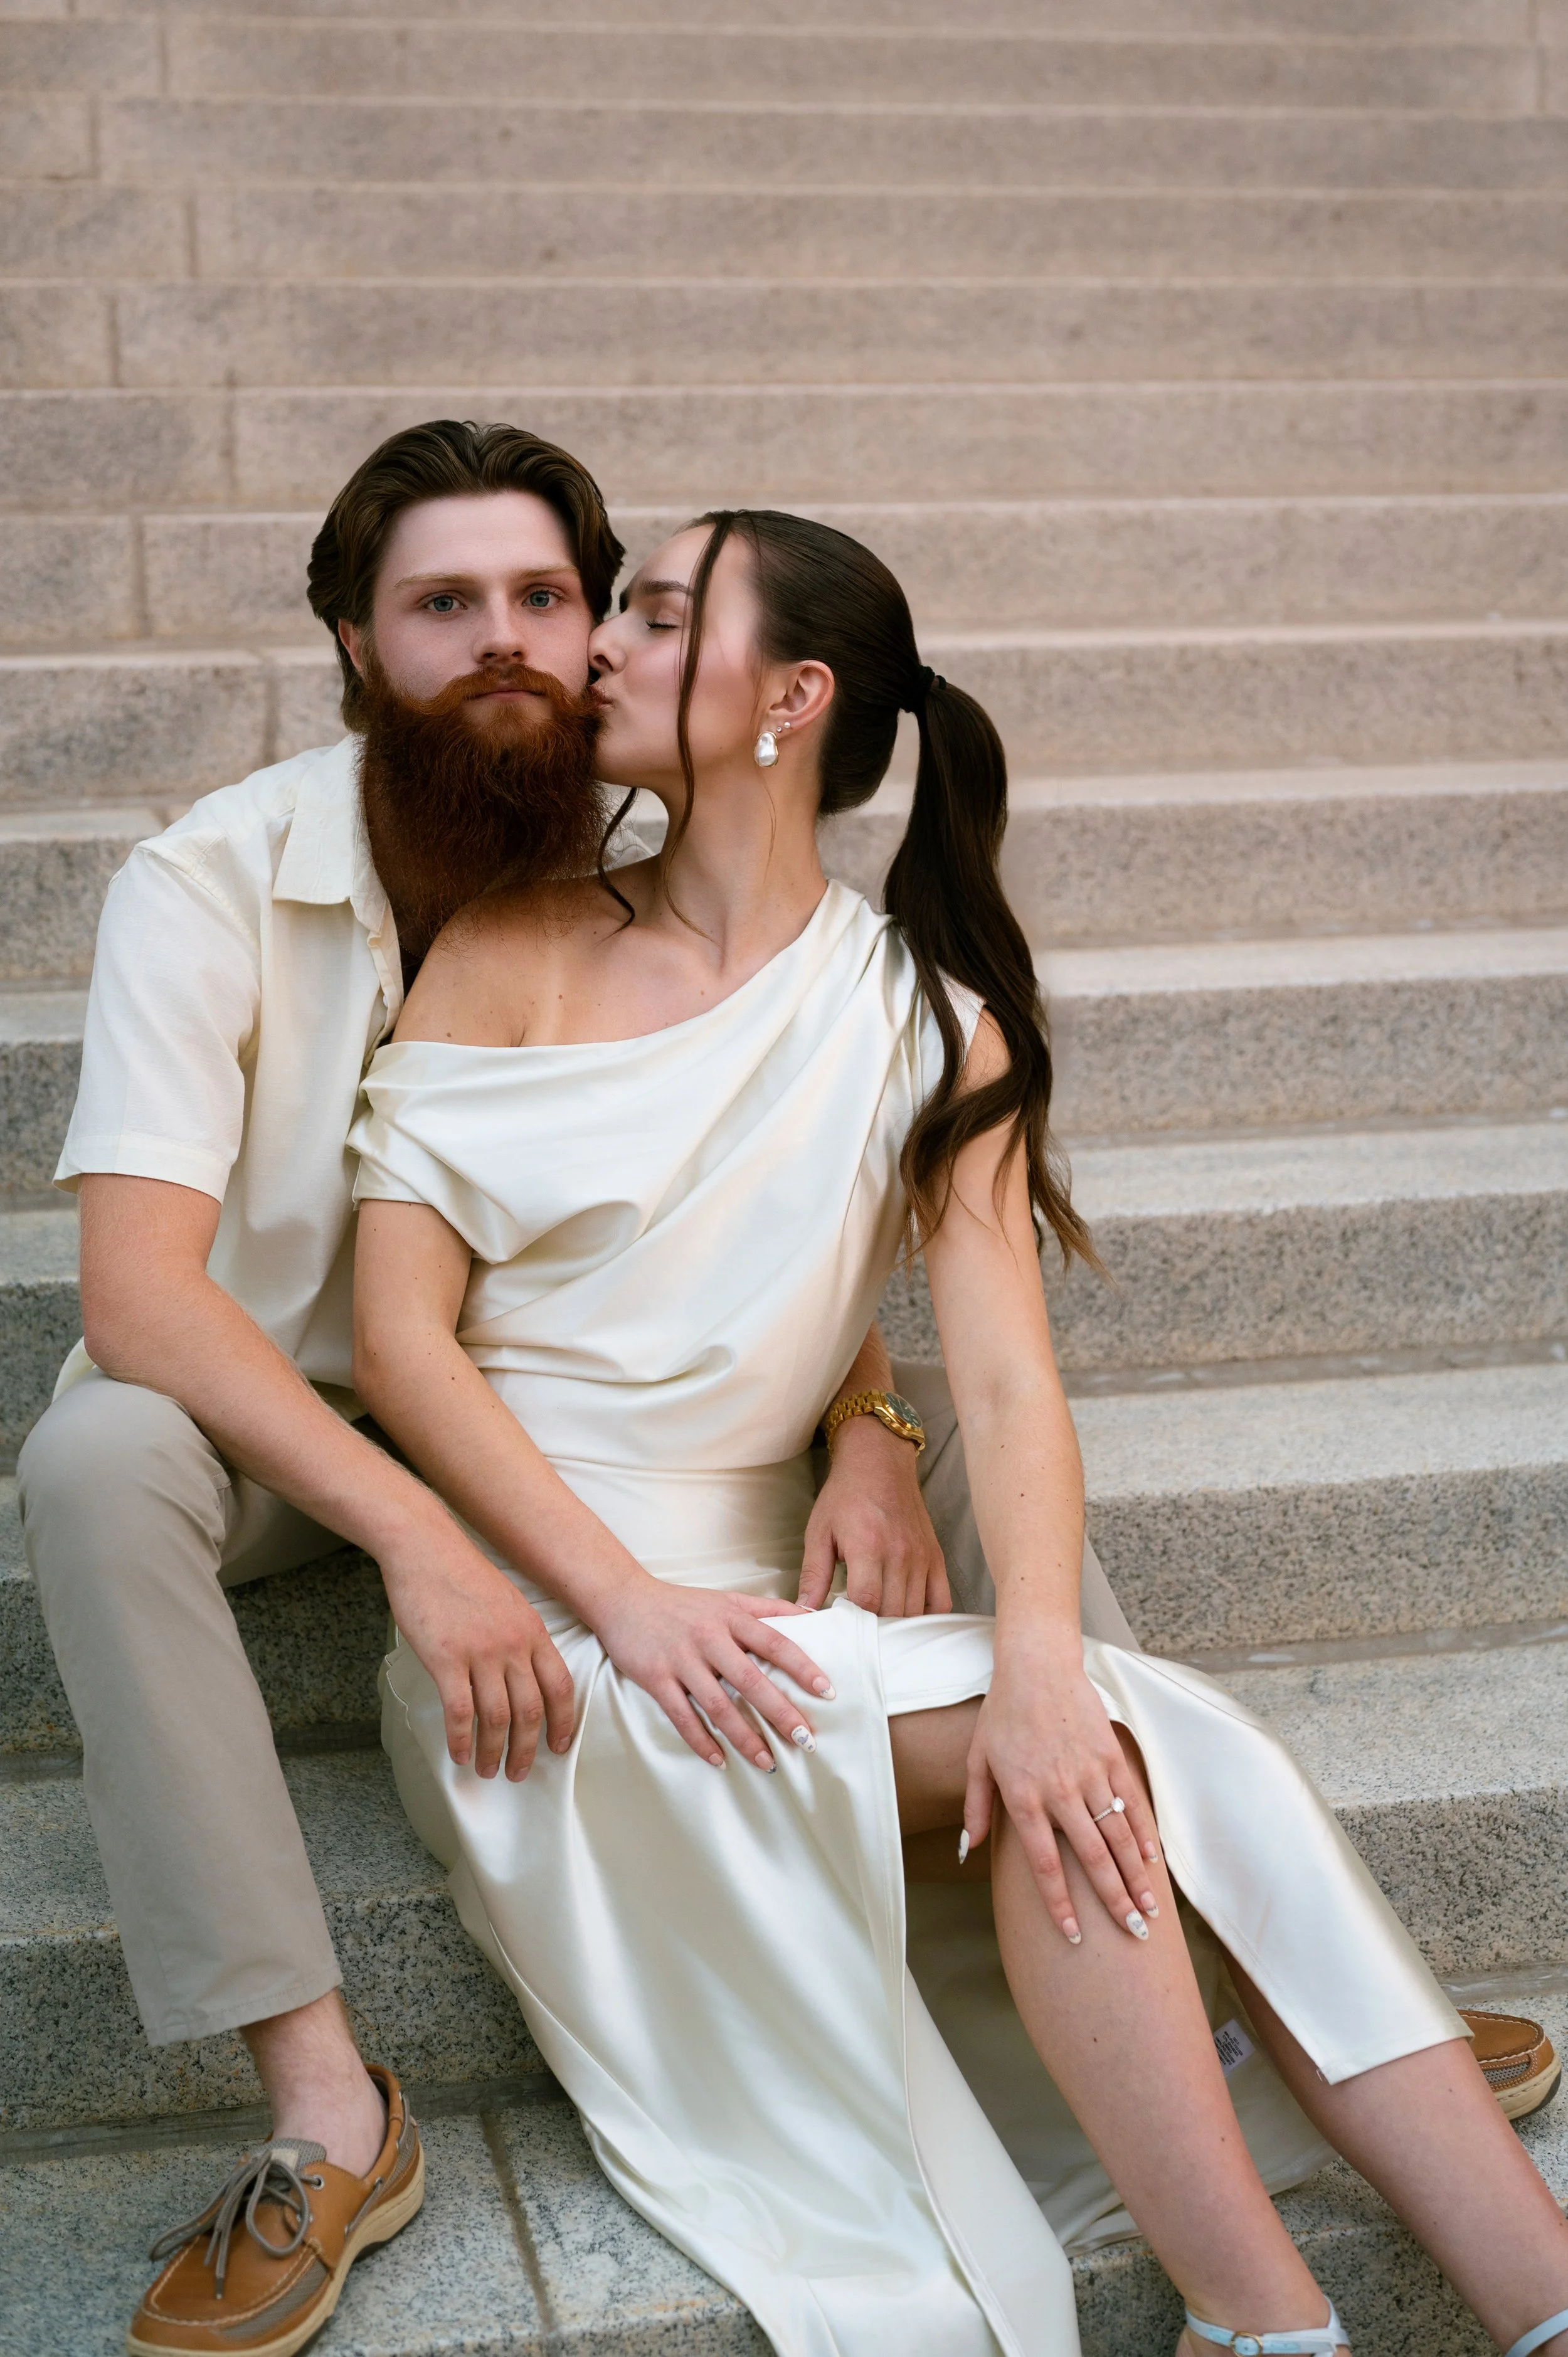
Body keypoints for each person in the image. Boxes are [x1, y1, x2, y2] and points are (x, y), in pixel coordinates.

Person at [348, 509, 1568, 2357]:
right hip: (559, 1659)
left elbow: (1005, 1388)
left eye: (659, 616)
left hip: (773, 1648)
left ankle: (1365, 2320)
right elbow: (397, 1340)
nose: (597, 644)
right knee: (1137, 1754)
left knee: (1087, 1751)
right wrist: (627, 1597)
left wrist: (1033, 1657)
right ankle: (1337, 2313)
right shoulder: (508, 951)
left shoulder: (931, 1022)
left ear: (792, 697)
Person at [17, 423, 945, 2357]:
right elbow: (139, 1294)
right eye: (445, 603)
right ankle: (326, 2111)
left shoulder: (658, 847)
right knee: (96, 1456)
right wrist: (419, 1538)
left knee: (977, 1466)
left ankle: (1231, 1934)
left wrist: (873, 1417)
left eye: (550, 596)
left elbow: (773, 1190)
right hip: (291, 1426)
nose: (510, 641)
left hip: (580, 1412)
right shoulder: (207, 882)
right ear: (355, 640)